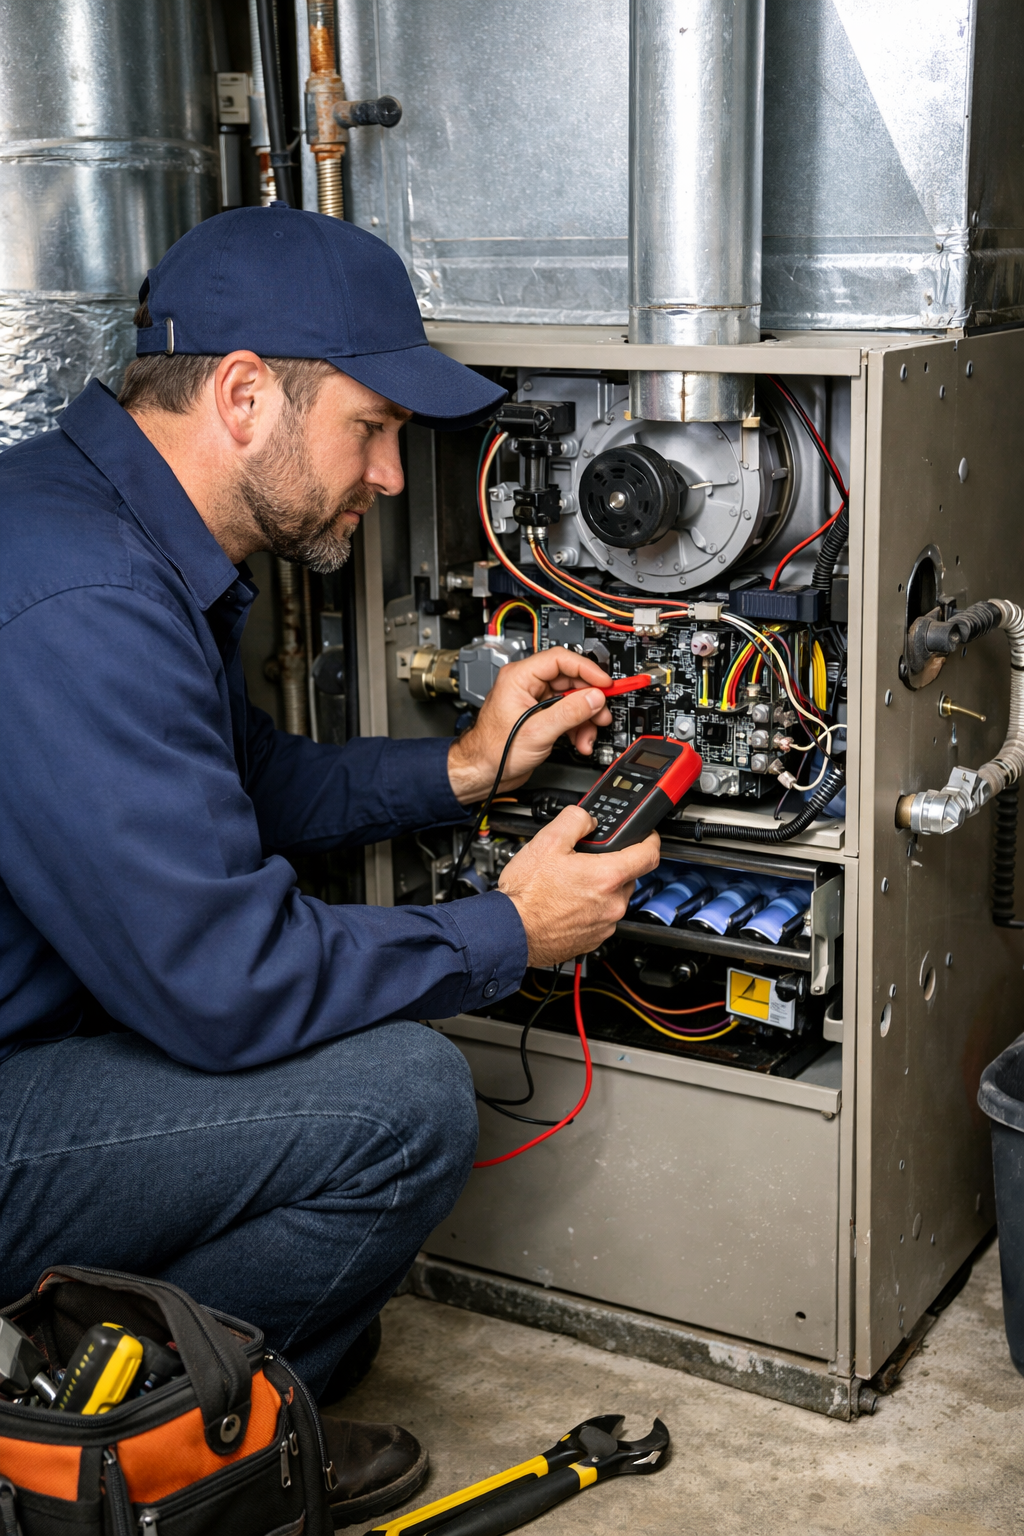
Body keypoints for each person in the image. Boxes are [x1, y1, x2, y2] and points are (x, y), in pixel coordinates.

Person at [0, 205, 659, 1526]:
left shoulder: (88, 520)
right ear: (244, 395)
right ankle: (165, 1454)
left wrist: (463, 770)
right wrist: (507, 932)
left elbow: (252, 785)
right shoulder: (83, 594)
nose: (395, 479)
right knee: (403, 1104)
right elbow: (225, 985)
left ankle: (198, 1386)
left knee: (339, 1331)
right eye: (372, 428)